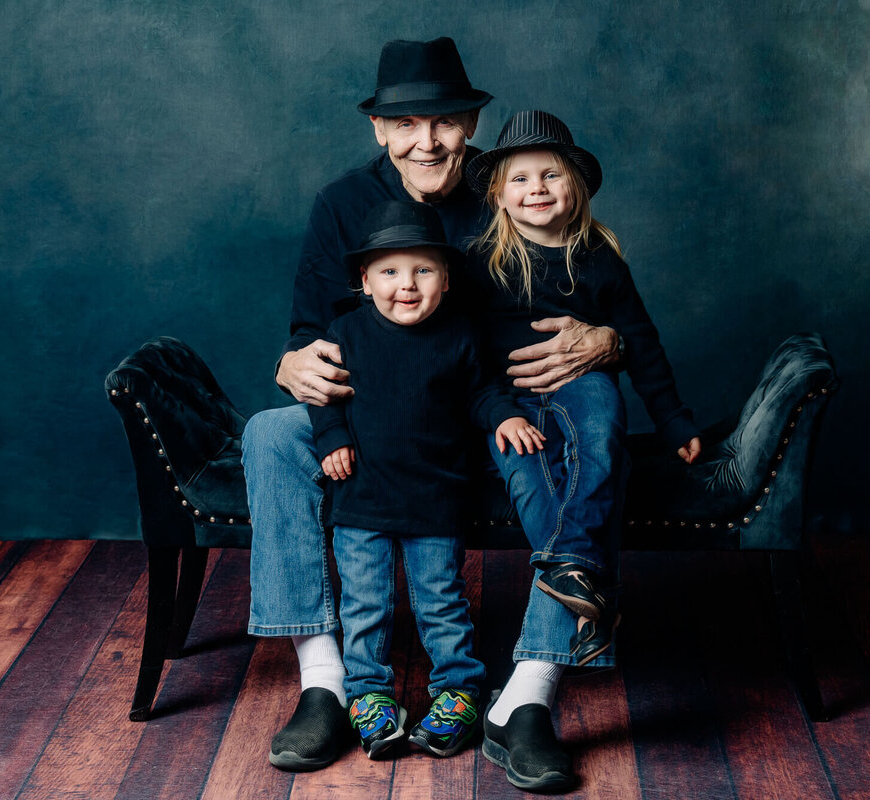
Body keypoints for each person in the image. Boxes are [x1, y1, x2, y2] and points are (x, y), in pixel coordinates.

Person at [241, 38, 619, 788]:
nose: (427, 141)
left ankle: (528, 696)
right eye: (406, 124)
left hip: (505, 399)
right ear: (378, 130)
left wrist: (606, 339)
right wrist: (291, 362)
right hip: (382, 413)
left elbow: (598, 283)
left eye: (444, 122)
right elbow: (306, 329)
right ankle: (326, 683)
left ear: (472, 124)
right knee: (269, 433)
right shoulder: (341, 205)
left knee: (591, 415)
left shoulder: (508, 188)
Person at [462, 109, 702, 790]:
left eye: (551, 175)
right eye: (521, 178)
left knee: (602, 425)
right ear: (499, 194)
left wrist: (676, 419)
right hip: (510, 406)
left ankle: (572, 567)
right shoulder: (483, 260)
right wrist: (500, 411)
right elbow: (466, 354)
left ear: (577, 187)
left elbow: (643, 341)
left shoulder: (598, 258)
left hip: (581, 386)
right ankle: (583, 589)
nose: (537, 188)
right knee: (534, 481)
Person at [309, 200, 544, 760]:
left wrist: (506, 415)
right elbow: (322, 398)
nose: (405, 285)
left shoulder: (461, 336)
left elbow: (483, 391)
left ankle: (458, 689)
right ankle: (367, 693)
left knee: (440, 600)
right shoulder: (345, 331)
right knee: (364, 604)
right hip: (361, 499)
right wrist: (331, 440)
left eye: (423, 270)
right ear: (364, 281)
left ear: (446, 278)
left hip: (436, 497)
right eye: (389, 272)